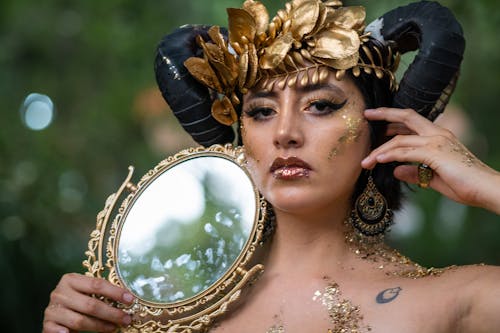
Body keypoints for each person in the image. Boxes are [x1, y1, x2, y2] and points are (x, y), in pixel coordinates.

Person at [42, 1, 500, 332]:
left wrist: (487, 185)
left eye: (320, 105)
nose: (284, 132)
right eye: (261, 111)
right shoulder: (160, 308)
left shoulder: (456, 300)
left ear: (379, 131)